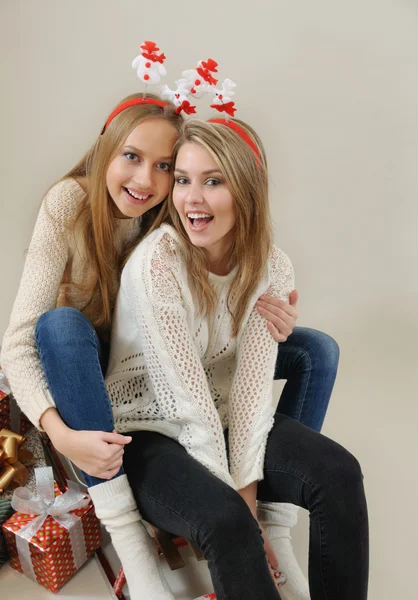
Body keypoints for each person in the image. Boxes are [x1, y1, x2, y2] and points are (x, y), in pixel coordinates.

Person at [1, 91, 337, 598]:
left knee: (315, 350)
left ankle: (273, 512)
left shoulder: (173, 210)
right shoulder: (69, 204)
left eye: (165, 167)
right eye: (131, 157)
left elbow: (223, 284)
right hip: (90, 369)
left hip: (173, 357)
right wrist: (58, 432)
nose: (145, 181)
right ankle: (131, 539)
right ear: (104, 149)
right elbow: (20, 342)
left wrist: (269, 315)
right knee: (60, 325)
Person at [101, 118, 369, 600]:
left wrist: (249, 496)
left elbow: (249, 396)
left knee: (339, 472)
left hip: (221, 415)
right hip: (147, 433)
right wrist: (243, 511)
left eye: (213, 181)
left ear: (246, 189)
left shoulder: (272, 264)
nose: (191, 199)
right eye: (182, 180)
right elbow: (188, 406)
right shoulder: (157, 262)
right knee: (228, 523)